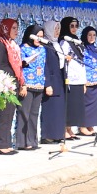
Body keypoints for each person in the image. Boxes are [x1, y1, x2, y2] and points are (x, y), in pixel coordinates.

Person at [0, 19, 27, 154]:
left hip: (13, 83)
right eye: (14, 28)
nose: (17, 31)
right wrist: (13, 72)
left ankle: (6, 143)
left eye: (17, 28)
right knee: (4, 115)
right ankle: (0, 145)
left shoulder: (11, 45)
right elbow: (0, 65)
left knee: (9, 114)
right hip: (5, 84)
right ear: (6, 29)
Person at [18, 23, 49, 150]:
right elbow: (19, 67)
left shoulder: (43, 49)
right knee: (24, 113)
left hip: (39, 85)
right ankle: (22, 142)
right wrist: (22, 85)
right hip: (27, 84)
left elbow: (44, 66)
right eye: (37, 36)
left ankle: (32, 141)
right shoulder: (22, 48)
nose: (39, 39)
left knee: (34, 114)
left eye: (41, 37)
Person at [39, 23, 68, 151]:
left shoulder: (55, 45)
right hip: (51, 81)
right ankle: (48, 136)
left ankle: (57, 134)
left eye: (58, 29)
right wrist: (48, 84)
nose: (57, 31)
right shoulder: (45, 46)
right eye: (55, 28)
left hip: (60, 79)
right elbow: (45, 66)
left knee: (59, 109)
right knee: (51, 110)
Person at [56, 16, 86, 141]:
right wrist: (67, 57)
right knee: (69, 105)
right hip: (70, 76)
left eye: (76, 26)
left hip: (79, 76)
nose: (74, 29)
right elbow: (61, 57)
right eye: (71, 26)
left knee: (75, 106)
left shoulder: (77, 41)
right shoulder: (64, 41)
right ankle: (64, 129)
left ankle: (70, 129)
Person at [80, 26, 97, 134]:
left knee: (94, 105)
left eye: (94, 35)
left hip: (96, 80)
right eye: (89, 35)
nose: (92, 37)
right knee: (86, 105)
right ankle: (83, 127)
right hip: (86, 79)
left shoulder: (95, 48)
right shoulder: (82, 48)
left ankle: (90, 125)